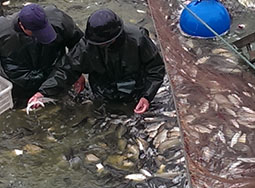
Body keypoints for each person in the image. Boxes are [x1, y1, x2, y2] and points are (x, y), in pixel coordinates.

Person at [30, 9, 165, 114]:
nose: (100, 46)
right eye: (97, 43)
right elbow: (66, 69)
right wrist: (44, 92)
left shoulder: (138, 39)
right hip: (103, 90)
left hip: (136, 88)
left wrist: (147, 96)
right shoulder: (86, 46)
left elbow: (156, 69)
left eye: (104, 43)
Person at [0, 3, 83, 104]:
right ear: (21, 25)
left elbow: (79, 47)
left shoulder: (59, 20)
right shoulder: (0, 31)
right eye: (35, 33)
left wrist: (77, 73)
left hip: (52, 71)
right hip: (17, 79)